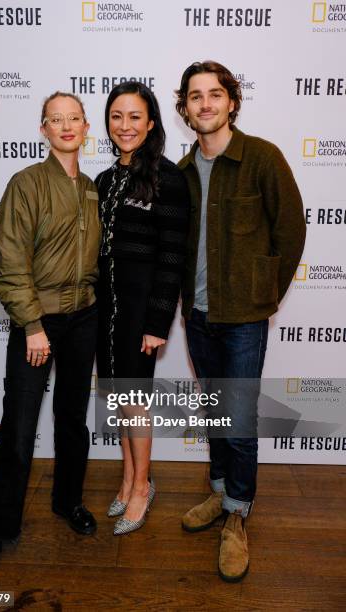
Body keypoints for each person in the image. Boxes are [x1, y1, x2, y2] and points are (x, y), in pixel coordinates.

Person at [175, 61, 306, 582]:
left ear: (231, 101)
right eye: (195, 96)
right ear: (185, 109)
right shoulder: (181, 173)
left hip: (244, 318)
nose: (205, 104)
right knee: (213, 409)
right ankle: (219, 489)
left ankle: (238, 514)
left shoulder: (262, 159)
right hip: (198, 313)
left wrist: (263, 295)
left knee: (239, 418)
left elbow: (291, 231)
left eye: (215, 94)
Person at [0, 92, 101, 584]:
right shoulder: (25, 184)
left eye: (74, 119)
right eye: (55, 120)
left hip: (83, 320)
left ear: (87, 128)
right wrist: (33, 326)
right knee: (19, 431)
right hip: (37, 324)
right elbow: (7, 264)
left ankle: (68, 501)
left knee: (71, 421)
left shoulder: (91, 188)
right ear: (43, 130)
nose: (66, 126)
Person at [95, 82, 189, 535]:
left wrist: (157, 323)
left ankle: (141, 488)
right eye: (117, 116)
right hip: (105, 310)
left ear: (151, 122)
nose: (125, 125)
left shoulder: (168, 178)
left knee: (135, 403)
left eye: (135, 116)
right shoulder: (105, 178)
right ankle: (128, 476)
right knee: (119, 399)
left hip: (139, 312)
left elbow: (173, 257)